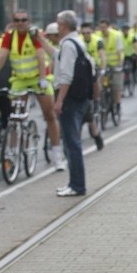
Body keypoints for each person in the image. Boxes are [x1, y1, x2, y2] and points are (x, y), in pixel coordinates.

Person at [0, 9, 65, 171]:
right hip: (20, 80)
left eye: (23, 20)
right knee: (15, 118)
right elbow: (2, 55)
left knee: (49, 115)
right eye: (17, 20)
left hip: (39, 78)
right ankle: (13, 152)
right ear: (13, 22)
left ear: (28, 21)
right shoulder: (9, 36)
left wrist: (43, 78)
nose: (20, 23)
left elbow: (40, 55)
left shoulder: (34, 34)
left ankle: (57, 156)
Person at [39, 22, 103, 150]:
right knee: (65, 122)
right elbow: (52, 60)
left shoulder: (68, 45)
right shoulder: (60, 45)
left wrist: (95, 97)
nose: (51, 38)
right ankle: (62, 141)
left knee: (88, 116)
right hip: (59, 86)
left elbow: (68, 75)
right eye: (49, 36)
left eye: (52, 36)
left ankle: (96, 136)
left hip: (75, 90)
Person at [52, 10, 92, 197]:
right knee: (71, 142)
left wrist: (60, 100)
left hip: (70, 99)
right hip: (80, 97)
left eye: (58, 24)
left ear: (64, 25)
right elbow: (55, 56)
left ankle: (77, 185)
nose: (57, 27)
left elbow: (66, 76)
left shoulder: (68, 45)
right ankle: (73, 183)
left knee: (72, 143)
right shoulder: (77, 42)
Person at [98, 19, 124, 116]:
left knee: (116, 86)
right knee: (102, 85)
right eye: (101, 27)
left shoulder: (116, 35)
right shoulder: (98, 36)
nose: (102, 29)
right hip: (103, 65)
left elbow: (119, 51)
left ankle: (117, 104)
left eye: (104, 27)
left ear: (108, 27)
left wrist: (120, 64)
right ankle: (103, 102)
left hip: (115, 65)